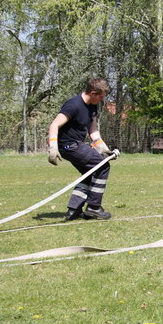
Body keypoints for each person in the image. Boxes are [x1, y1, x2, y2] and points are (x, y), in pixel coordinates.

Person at [47, 78, 115, 221]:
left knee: (89, 172)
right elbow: (54, 125)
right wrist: (52, 148)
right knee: (103, 166)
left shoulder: (92, 107)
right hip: (69, 146)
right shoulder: (73, 105)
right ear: (93, 93)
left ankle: (74, 210)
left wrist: (103, 148)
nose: (102, 100)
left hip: (77, 144)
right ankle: (93, 208)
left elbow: (93, 130)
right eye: (101, 97)